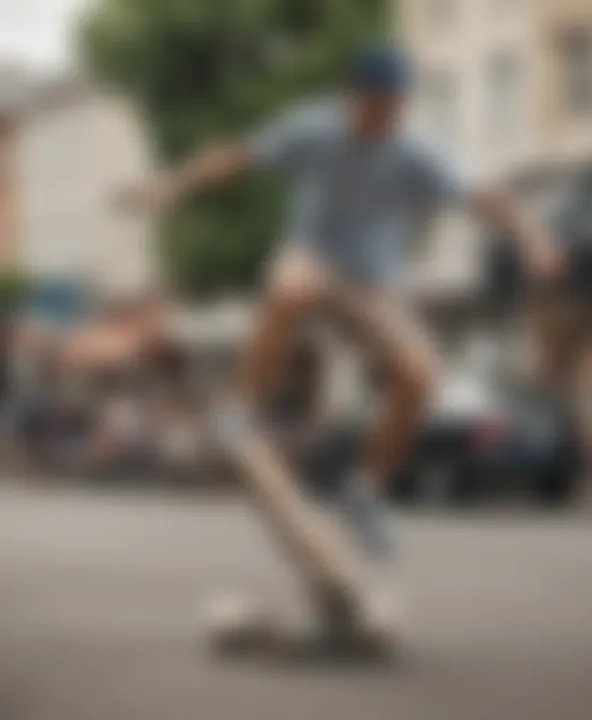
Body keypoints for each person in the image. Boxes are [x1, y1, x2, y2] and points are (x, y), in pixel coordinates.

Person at [121, 45, 562, 627]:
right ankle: (242, 409)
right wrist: (171, 187)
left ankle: (365, 490)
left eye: (396, 108)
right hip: (314, 258)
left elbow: (483, 198)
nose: (386, 119)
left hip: (375, 284)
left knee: (420, 374)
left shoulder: (418, 150)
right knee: (291, 288)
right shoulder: (311, 127)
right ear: (351, 96)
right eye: (376, 107)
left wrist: (533, 236)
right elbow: (236, 157)